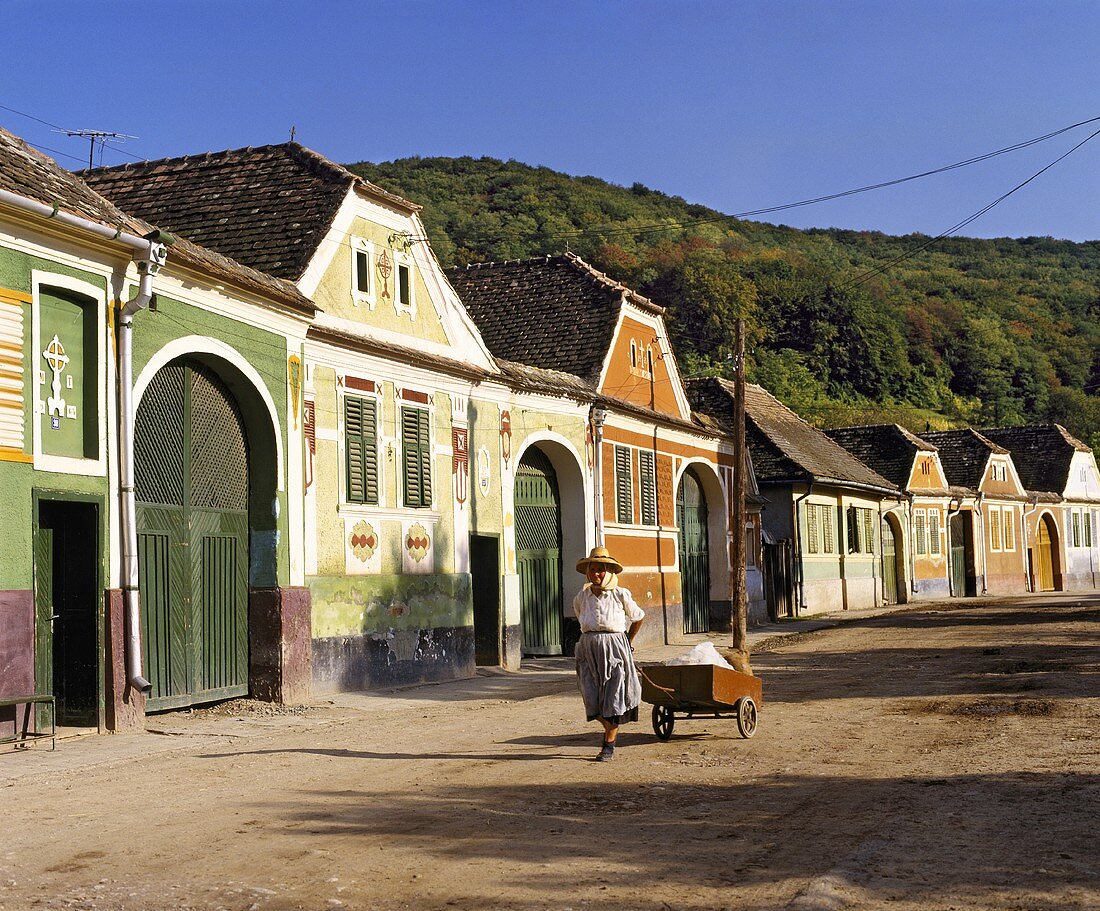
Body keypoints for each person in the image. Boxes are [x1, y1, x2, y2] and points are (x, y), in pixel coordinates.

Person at [573, 546, 645, 761]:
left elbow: (638, 617)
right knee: (591, 698)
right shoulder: (581, 597)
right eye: (593, 570)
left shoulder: (620, 594)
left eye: (601, 570)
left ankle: (608, 745)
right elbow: (581, 620)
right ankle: (609, 728)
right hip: (588, 649)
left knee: (613, 697)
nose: (597, 574)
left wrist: (627, 642)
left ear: (609, 571)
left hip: (615, 648)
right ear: (588, 572)